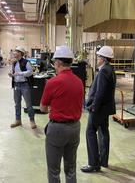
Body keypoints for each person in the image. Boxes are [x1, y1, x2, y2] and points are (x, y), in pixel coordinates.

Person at [40, 45, 84, 183]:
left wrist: (52, 109)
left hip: (58, 129)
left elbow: (42, 108)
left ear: (58, 63)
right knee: (71, 168)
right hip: (75, 128)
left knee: (54, 170)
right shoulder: (79, 82)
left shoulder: (53, 82)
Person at [81, 46, 116, 173]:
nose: (98, 58)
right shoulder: (110, 69)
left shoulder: (103, 71)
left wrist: (93, 107)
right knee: (103, 131)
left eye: (99, 56)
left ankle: (93, 164)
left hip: (99, 109)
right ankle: (103, 161)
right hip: (105, 109)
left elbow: (100, 93)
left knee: (90, 132)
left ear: (103, 58)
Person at [8, 46, 37, 129]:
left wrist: (20, 73)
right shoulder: (14, 63)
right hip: (16, 85)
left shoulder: (26, 62)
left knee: (28, 104)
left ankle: (32, 121)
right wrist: (11, 75)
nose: (14, 53)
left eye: (16, 52)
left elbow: (30, 72)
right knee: (17, 104)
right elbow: (14, 73)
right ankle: (18, 120)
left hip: (25, 85)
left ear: (20, 53)